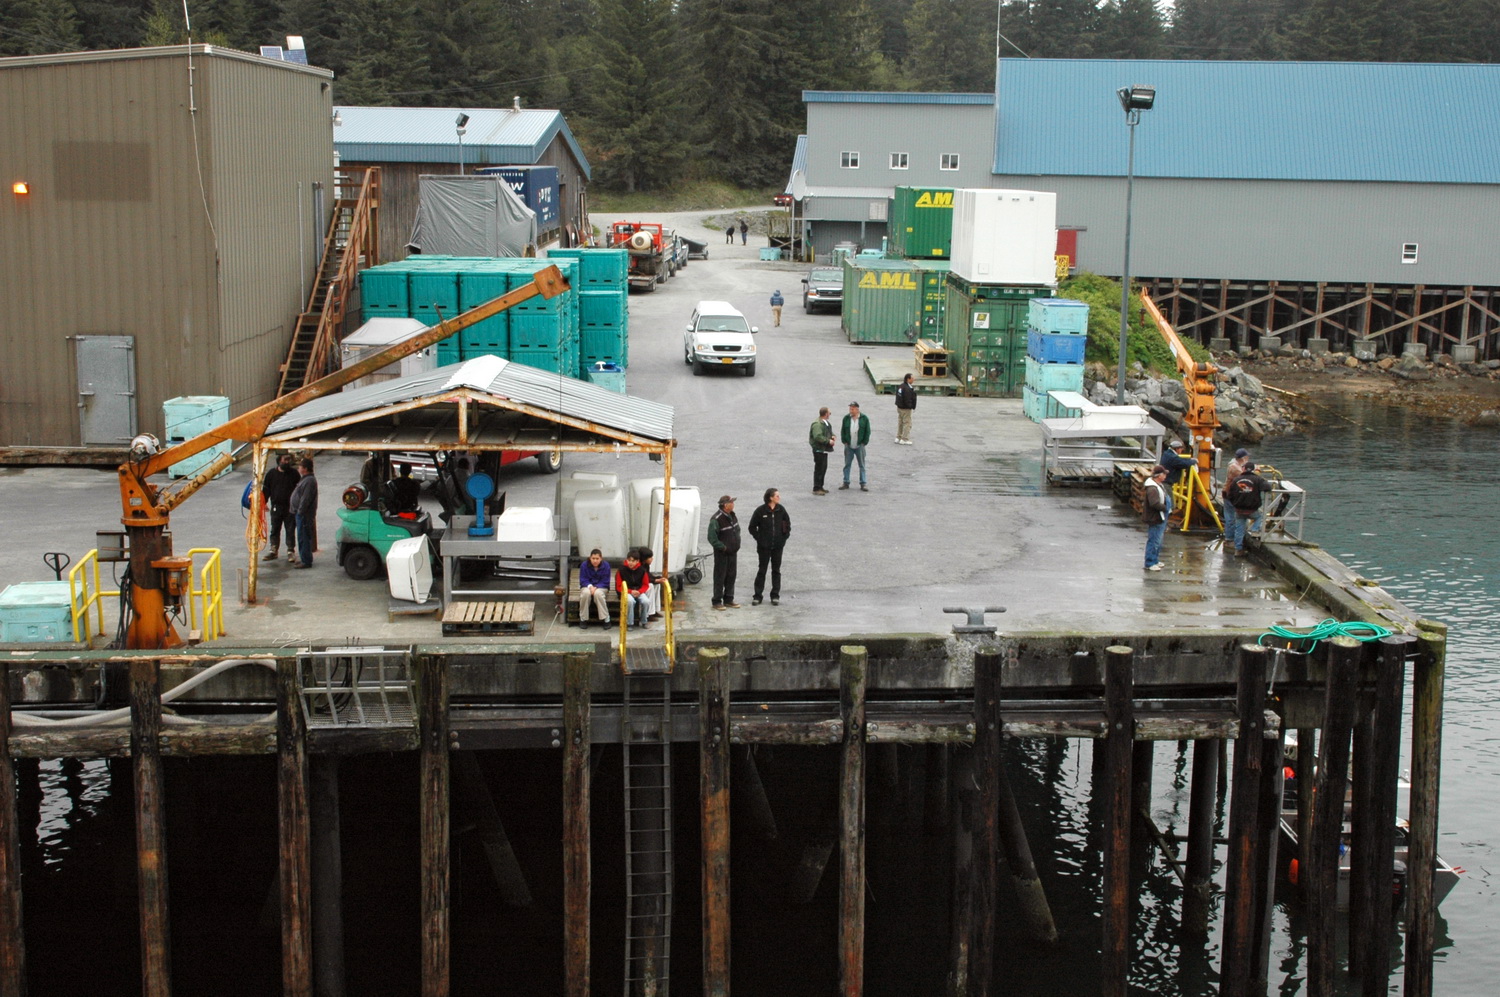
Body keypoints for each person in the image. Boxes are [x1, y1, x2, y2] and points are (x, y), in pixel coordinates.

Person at [748, 487, 791, 605]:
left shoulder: (781, 510)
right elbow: (752, 527)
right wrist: (760, 539)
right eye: (777, 496)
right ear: (770, 498)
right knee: (762, 570)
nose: (779, 497)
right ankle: (757, 596)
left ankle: (775, 595)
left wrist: (783, 539)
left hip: (778, 547)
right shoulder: (760, 511)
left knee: (776, 570)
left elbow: (787, 525)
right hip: (764, 547)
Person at [1225, 461, 1273, 557]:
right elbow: (1268, 487)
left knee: (1239, 530)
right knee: (1261, 517)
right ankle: (1255, 530)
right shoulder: (1257, 479)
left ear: (1243, 469)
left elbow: (1229, 494)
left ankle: (1238, 550)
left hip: (1239, 510)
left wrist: (1236, 504)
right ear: (1254, 469)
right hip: (1252, 509)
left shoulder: (1236, 480)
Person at [261, 452, 300, 561]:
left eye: (288, 460)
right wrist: (264, 503)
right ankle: (273, 550)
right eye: (285, 460)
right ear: (279, 461)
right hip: (276, 507)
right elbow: (266, 490)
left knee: (290, 529)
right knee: (275, 529)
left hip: (290, 508)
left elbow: (298, 490)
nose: (287, 462)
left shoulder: (294, 474)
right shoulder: (271, 474)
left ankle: (290, 551)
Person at [707, 495, 742, 609]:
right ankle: (716, 601)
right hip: (722, 553)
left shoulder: (732, 516)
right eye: (731, 502)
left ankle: (728, 599)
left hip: (733, 552)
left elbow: (737, 530)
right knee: (720, 576)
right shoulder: (716, 519)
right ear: (725, 505)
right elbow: (712, 538)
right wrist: (723, 548)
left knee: (731, 575)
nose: (733, 504)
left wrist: (736, 544)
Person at [289, 457, 319, 568]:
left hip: (304, 514)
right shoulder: (305, 479)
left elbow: (306, 498)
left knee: (304, 537)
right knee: (302, 536)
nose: (298, 468)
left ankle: (306, 561)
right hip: (300, 513)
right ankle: (304, 558)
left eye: (300, 466)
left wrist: (300, 511)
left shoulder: (309, 481)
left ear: (305, 468)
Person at [1220, 447, 1251, 550]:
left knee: (1232, 517)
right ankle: (1229, 539)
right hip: (1230, 495)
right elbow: (1244, 475)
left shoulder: (1235, 465)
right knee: (1231, 518)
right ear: (1242, 458)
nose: (1247, 459)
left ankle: (1232, 538)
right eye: (1246, 457)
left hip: (1231, 494)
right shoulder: (1234, 467)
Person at [1142, 464, 1170, 572]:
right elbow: (1154, 503)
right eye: (1164, 474)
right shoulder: (1152, 488)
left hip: (1160, 517)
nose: (1165, 476)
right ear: (1159, 475)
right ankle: (1149, 562)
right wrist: (1165, 508)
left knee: (1158, 541)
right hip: (1155, 517)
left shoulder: (1158, 485)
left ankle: (1155, 560)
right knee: (1154, 541)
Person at [840, 401, 871, 491]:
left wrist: (864, 442)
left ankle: (863, 483)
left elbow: (867, 431)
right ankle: (846, 482)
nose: (851, 410)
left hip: (859, 445)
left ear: (857, 409)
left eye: (852, 409)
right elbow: (843, 431)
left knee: (862, 465)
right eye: (850, 409)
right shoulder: (846, 418)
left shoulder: (864, 418)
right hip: (849, 445)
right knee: (847, 465)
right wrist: (844, 441)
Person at [617, 549, 652, 628]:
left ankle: (644, 621)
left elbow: (645, 584)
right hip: (627, 591)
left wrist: (639, 591)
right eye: (629, 560)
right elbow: (619, 586)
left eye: (633, 561)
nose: (630, 563)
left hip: (638, 591)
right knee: (630, 601)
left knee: (646, 601)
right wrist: (630, 591)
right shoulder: (621, 570)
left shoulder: (642, 570)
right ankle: (630, 623)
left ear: (637, 561)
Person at [578, 549, 612, 626]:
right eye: (593, 558)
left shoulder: (606, 566)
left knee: (598, 594)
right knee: (585, 594)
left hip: (602, 586)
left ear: (601, 558)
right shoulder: (584, 565)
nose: (595, 561)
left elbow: (606, 581)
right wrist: (590, 587)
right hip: (587, 586)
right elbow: (583, 579)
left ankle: (606, 618)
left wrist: (596, 587)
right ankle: (583, 618)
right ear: (590, 558)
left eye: (597, 559)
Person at [809, 406, 835, 495]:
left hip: (824, 450)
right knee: (819, 469)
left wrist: (833, 436)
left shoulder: (825, 423)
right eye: (829, 413)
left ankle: (821, 486)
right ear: (826, 414)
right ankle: (816, 488)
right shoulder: (817, 424)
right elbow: (817, 436)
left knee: (823, 468)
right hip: (818, 449)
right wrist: (828, 441)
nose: (830, 414)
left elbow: (828, 432)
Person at [894, 374, 917, 445]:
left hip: (899, 407)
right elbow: (907, 399)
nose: (913, 379)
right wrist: (911, 406)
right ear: (908, 379)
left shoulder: (901, 386)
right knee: (907, 423)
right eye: (912, 378)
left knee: (900, 422)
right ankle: (904, 439)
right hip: (905, 409)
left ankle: (898, 437)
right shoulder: (907, 389)